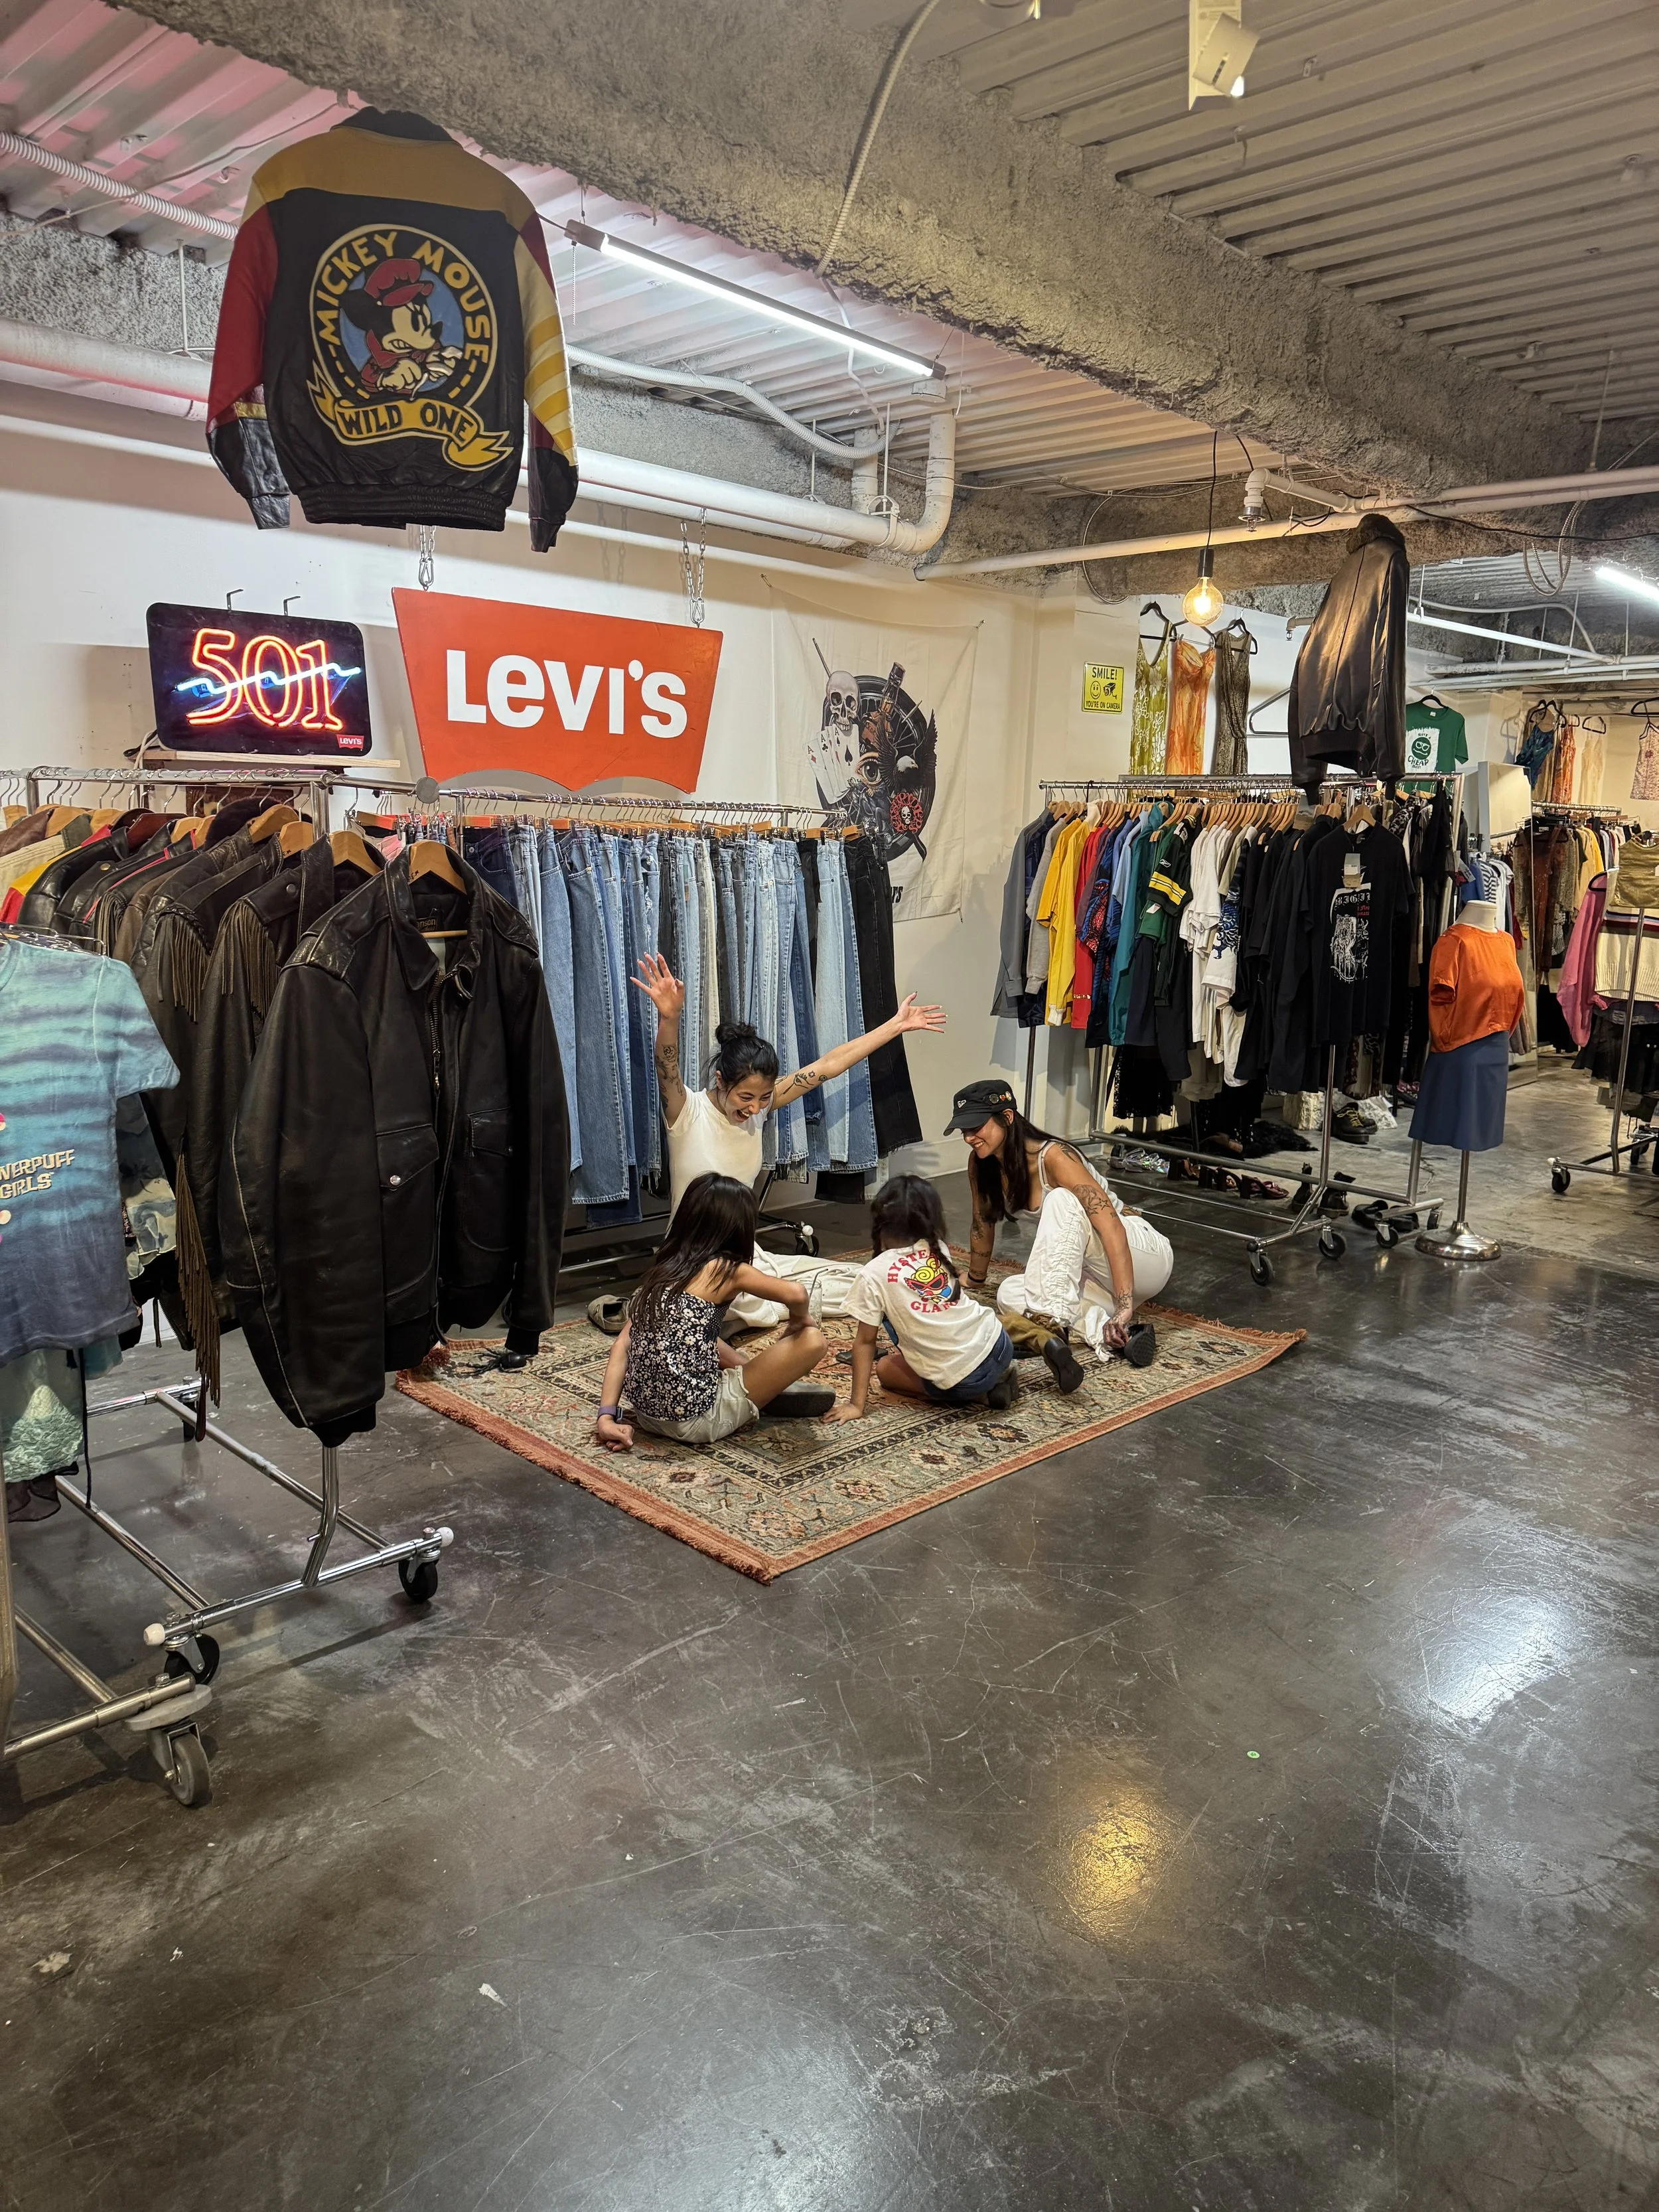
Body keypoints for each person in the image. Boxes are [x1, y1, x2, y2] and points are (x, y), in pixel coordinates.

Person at [607, 953, 946, 1331]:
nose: (754, 1109)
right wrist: (669, 1018)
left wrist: (894, 1027)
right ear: (721, 1082)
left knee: (851, 1283)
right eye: (744, 1098)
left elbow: (828, 1066)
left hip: (741, 1255)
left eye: (763, 1098)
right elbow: (665, 1067)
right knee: (712, 1309)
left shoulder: (763, 1109)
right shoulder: (687, 1113)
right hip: (690, 1258)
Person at [946, 1078, 1173, 1392]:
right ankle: (1121, 1336)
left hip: (1141, 1253)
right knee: (1009, 1294)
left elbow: (1111, 1227)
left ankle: (1050, 1326)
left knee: (1061, 1199)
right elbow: (982, 1222)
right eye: (963, 1130)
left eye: (976, 1126)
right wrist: (975, 1278)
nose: (969, 1137)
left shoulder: (1053, 1157)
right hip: (1093, 1271)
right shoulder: (982, 1164)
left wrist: (1124, 1304)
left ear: (1007, 1117)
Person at [593, 1173, 833, 1450]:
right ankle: (769, 1388)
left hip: (648, 1417)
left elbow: (622, 1345)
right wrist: (799, 1322)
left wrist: (606, 1417)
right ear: (739, 1229)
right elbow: (797, 1293)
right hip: (699, 1420)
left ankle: (755, 1376)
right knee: (813, 1340)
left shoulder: (662, 1272)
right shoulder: (727, 1270)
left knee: (691, 1332)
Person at [826, 1173, 1018, 1423]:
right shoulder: (939, 1247)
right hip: (1001, 1345)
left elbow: (865, 1342)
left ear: (879, 1224)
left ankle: (981, 1396)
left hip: (967, 1378)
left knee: (885, 1369)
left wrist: (856, 1405)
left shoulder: (873, 1274)